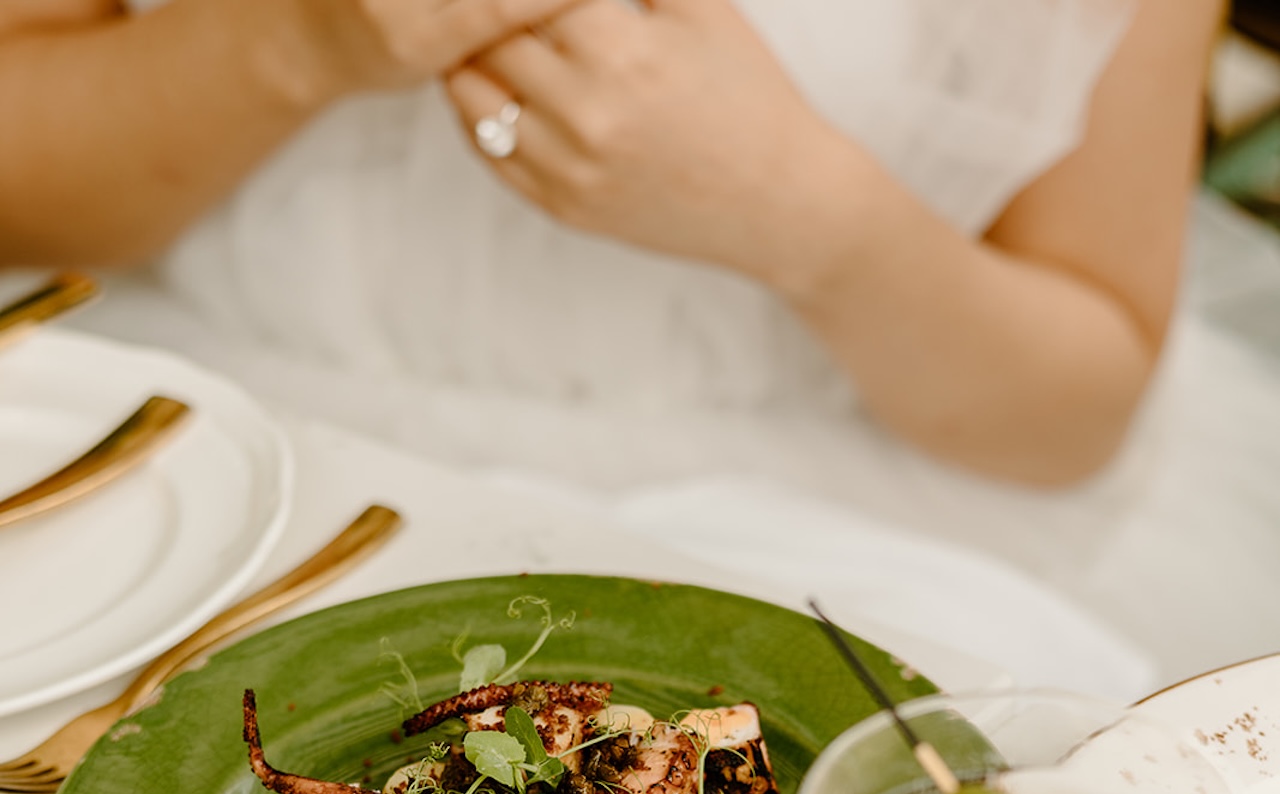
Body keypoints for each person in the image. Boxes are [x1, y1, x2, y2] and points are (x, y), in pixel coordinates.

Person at [1, 0, 1278, 681]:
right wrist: (294, 36)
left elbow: (1070, 411)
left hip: (841, 506)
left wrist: (811, 221)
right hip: (232, 439)